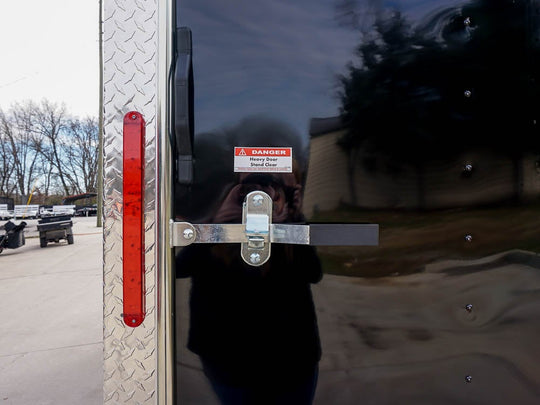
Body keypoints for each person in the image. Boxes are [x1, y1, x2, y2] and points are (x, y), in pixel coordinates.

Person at [176, 169, 323, 405]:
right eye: (248, 189)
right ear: (233, 192)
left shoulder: (290, 227)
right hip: (227, 359)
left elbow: (314, 273)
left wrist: (293, 221)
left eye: (271, 188)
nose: (259, 197)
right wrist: (217, 226)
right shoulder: (218, 224)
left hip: (291, 359)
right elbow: (179, 268)